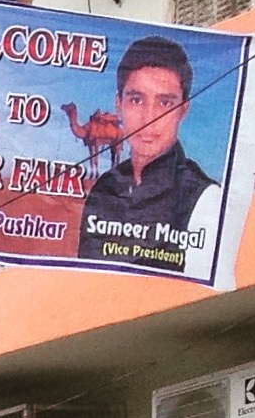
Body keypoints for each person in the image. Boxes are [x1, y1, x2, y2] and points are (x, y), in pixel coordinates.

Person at [76, 36, 215, 274]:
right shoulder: (104, 189)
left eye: (164, 103)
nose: (149, 118)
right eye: (136, 100)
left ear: (183, 109)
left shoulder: (203, 197)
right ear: (118, 103)